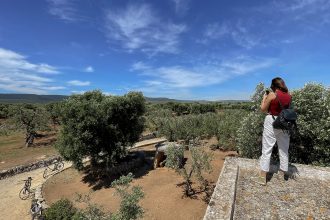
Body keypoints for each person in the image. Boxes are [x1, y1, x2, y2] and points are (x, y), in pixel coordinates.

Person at [253, 77, 292, 185]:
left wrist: (264, 98)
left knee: (267, 149)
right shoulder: (290, 95)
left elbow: (263, 109)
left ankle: (262, 178)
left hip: (272, 121)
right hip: (285, 122)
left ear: (274, 86)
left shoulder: (272, 95)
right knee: (284, 149)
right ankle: (282, 174)